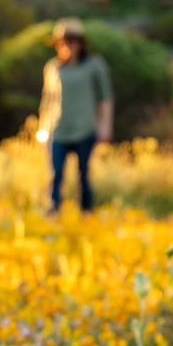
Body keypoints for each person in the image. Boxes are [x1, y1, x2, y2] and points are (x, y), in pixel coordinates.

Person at [35, 17, 113, 215]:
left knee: (83, 174)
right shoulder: (52, 68)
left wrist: (105, 126)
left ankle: (87, 212)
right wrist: (42, 130)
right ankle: (53, 211)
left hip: (85, 128)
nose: (67, 46)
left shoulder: (94, 65)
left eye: (72, 41)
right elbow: (47, 100)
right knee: (55, 173)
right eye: (63, 42)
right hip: (58, 129)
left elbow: (105, 98)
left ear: (80, 43)